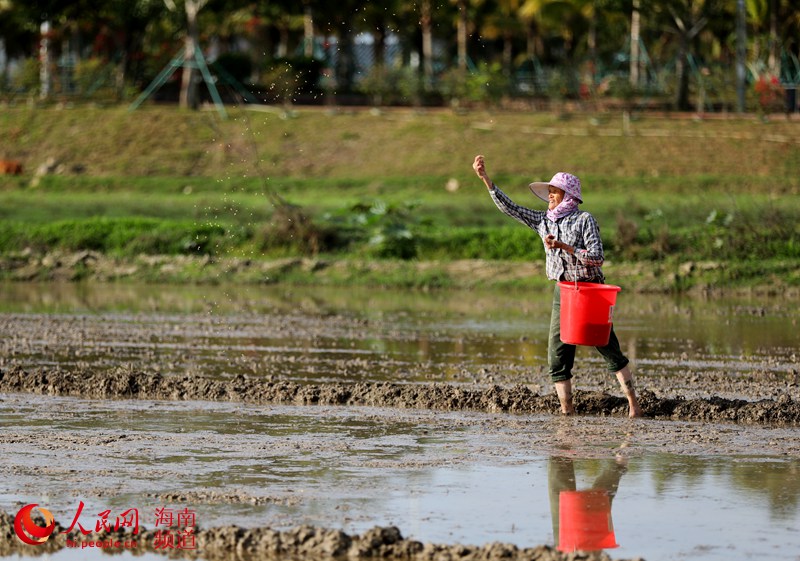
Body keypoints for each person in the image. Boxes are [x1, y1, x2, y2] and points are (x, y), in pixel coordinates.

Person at [472, 155, 642, 418]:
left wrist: (565, 247)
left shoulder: (585, 220)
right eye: (549, 192)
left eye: (554, 192)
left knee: (609, 348)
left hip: (590, 291)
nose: (549, 196)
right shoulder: (544, 221)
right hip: (563, 292)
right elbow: (512, 208)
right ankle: (567, 410)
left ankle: (634, 406)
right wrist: (486, 179)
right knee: (558, 354)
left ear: (568, 196)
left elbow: (597, 257)